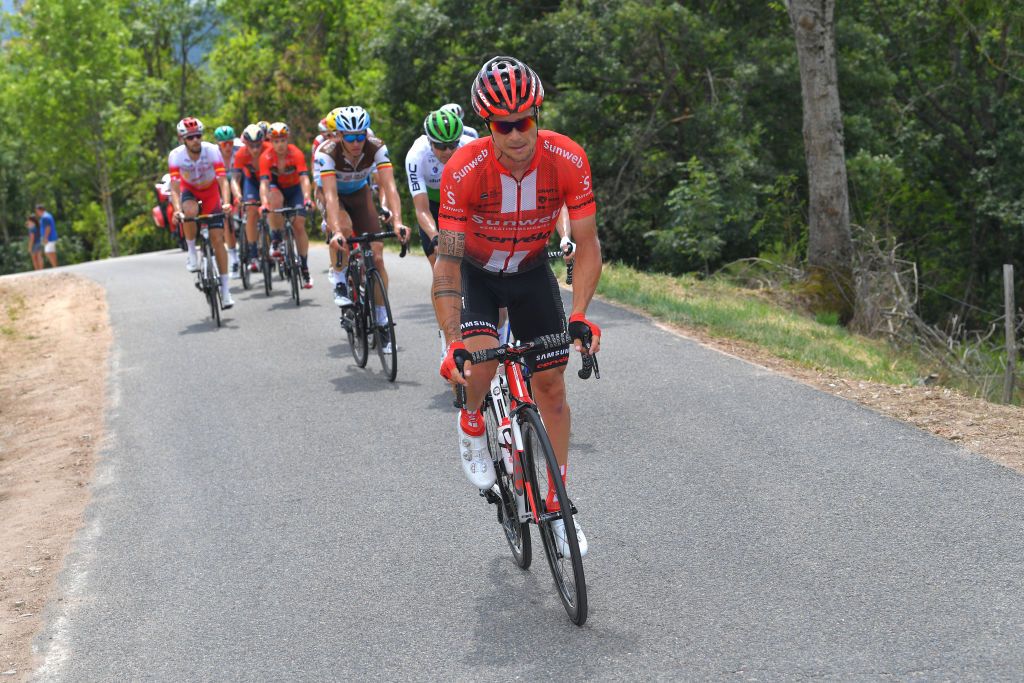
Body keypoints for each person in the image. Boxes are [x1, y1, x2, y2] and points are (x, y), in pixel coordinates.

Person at [433, 56, 601, 556]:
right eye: (504, 125)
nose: (516, 134)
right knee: (481, 369)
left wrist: (580, 313)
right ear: (488, 126)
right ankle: (471, 425)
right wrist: (453, 342)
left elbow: (587, 245)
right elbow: (447, 263)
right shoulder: (463, 171)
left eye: (525, 121)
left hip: (532, 273)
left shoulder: (567, 159)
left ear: (537, 116)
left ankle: (555, 507)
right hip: (479, 277)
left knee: (551, 387)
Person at [315, 106, 409, 335]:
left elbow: (390, 186)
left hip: (359, 193)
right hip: (333, 195)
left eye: (361, 135)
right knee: (344, 229)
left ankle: (381, 318)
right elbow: (329, 195)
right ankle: (339, 278)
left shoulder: (376, 146)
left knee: (377, 257)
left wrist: (397, 221)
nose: (357, 142)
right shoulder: (326, 151)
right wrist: (335, 230)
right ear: (339, 135)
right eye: (350, 137)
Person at [168, 116, 235, 308]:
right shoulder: (176, 156)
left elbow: (223, 180)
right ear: (182, 140)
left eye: (198, 135)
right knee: (188, 211)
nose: (195, 140)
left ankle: (225, 290)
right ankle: (191, 252)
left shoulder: (212, 151)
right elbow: (174, 187)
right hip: (191, 191)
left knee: (217, 239)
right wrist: (177, 210)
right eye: (190, 137)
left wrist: (227, 203)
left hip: (211, 192)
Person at [405, 109, 475, 267]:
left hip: (460, 204)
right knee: (440, 268)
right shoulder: (416, 156)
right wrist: (435, 237)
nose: (448, 151)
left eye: (453, 144)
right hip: (432, 207)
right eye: (441, 146)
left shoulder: (470, 148)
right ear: (430, 141)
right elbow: (422, 209)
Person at [258, 121, 314, 288]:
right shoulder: (266, 157)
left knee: (299, 225)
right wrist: (264, 203)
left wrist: (307, 198)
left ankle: (304, 267)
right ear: (270, 141)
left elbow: (304, 178)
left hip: (295, 189)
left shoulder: (295, 153)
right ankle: (276, 238)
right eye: (275, 141)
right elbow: (264, 184)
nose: (279, 144)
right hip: (277, 188)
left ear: (287, 139)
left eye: (282, 140)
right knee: (274, 199)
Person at [231, 124, 272, 272]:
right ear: (245, 144)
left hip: (269, 180)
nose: (255, 149)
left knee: (273, 205)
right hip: (252, 182)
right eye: (251, 146)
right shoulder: (241, 154)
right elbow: (235, 179)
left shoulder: (269, 149)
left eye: (258, 145)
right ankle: (253, 254)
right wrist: (238, 196)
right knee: (251, 211)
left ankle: (275, 241)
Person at [215, 125, 243, 277]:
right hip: (221, 187)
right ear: (218, 144)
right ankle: (233, 259)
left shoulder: (239, 149)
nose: (228, 146)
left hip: (238, 183)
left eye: (230, 142)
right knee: (225, 219)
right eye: (224, 144)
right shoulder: (213, 154)